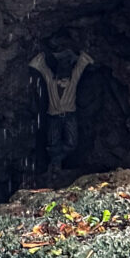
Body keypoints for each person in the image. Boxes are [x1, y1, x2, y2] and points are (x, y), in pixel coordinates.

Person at [29, 48, 93, 177]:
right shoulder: (51, 81)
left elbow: (79, 69)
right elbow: (43, 70)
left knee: (72, 143)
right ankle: (55, 168)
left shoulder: (72, 81)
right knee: (53, 144)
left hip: (69, 116)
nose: (64, 69)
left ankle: (55, 161)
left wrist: (83, 57)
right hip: (53, 116)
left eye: (67, 65)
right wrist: (39, 61)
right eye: (61, 65)